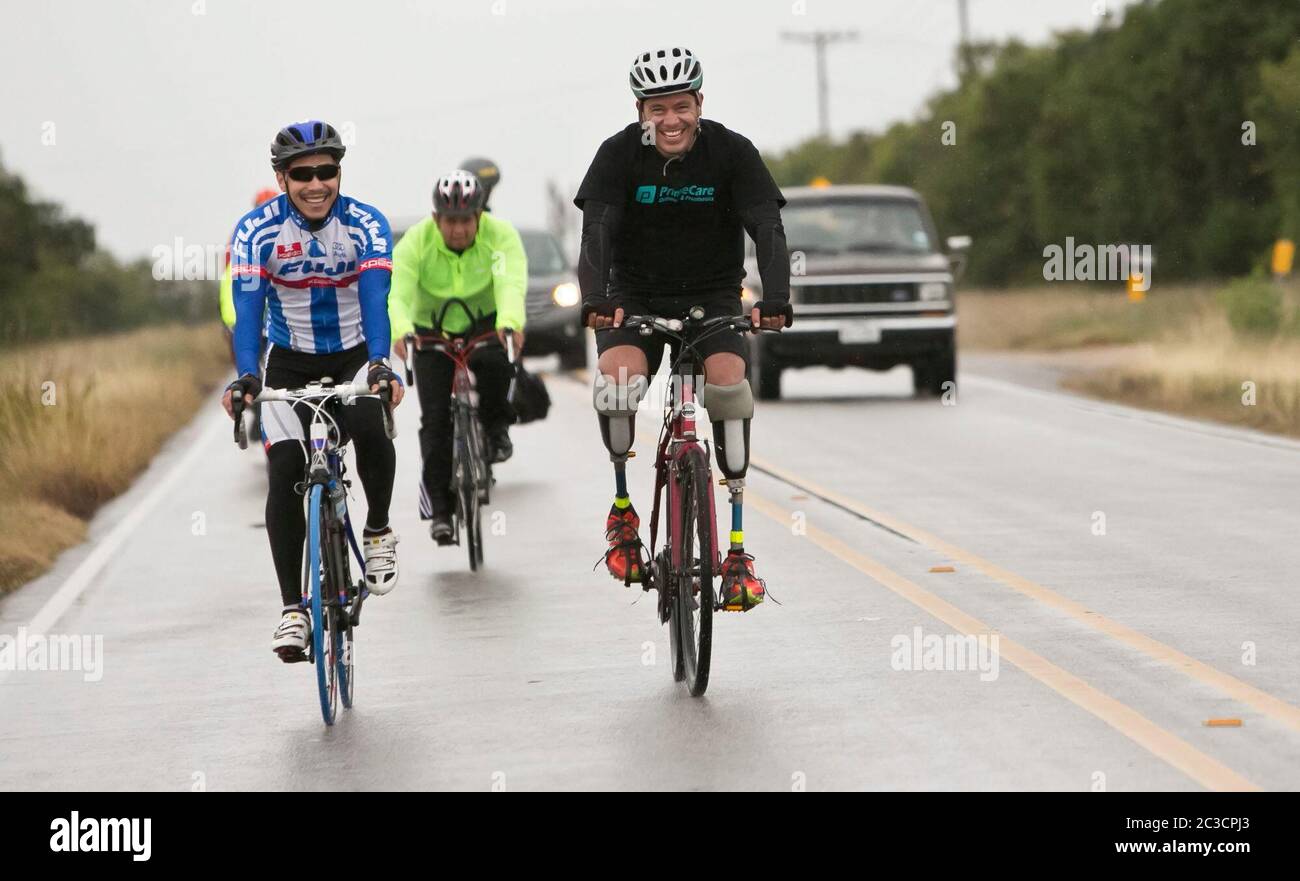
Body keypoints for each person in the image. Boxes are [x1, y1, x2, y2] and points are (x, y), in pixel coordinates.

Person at [574, 47, 793, 610]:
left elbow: (767, 226)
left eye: (680, 107)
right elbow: (596, 231)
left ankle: (738, 552)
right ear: (640, 111)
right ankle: (623, 514)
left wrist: (776, 298)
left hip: (713, 296)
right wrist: (596, 300)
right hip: (635, 297)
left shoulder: (732, 151)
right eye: (656, 110)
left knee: (728, 386)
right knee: (617, 380)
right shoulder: (618, 155)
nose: (669, 121)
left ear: (699, 103)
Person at [222, 120, 404, 661]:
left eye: (327, 171)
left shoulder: (366, 224)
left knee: (370, 426)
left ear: (339, 173)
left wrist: (378, 364)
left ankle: (376, 531)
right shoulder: (256, 232)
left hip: (355, 351)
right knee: (283, 473)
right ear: (282, 178)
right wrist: (248, 376)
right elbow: (247, 311)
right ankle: (292, 611)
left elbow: (377, 299)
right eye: (302, 174)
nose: (316, 183)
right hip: (289, 359)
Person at [390, 170, 527, 544]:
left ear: (479, 216)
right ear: (436, 219)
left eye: (466, 220)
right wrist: (400, 331)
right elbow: (398, 293)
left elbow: (510, 285)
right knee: (435, 420)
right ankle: (440, 510)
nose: (458, 230)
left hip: (485, 323)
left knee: (499, 364)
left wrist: (510, 323)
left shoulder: (500, 236)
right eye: (450, 221)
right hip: (430, 330)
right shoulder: (415, 243)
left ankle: (496, 428)